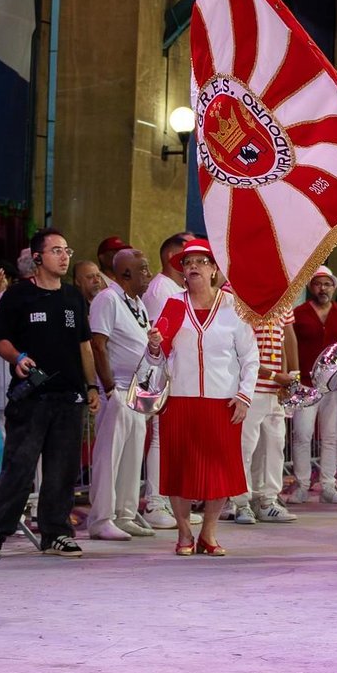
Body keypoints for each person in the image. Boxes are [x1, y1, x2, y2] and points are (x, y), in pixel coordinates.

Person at [0, 228, 101, 559]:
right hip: (31, 397)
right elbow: (1, 341)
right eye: (56, 250)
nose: (64, 256)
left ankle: (56, 533)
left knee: (62, 469)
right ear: (38, 257)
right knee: (19, 466)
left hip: (69, 398)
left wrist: (91, 385)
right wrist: (18, 358)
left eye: (67, 250)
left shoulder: (72, 296)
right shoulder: (17, 296)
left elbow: (85, 346)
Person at [147, 239, 259, 556]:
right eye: (187, 262)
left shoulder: (233, 308)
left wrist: (244, 395)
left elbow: (250, 357)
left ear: (213, 269)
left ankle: (208, 533)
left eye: (200, 261)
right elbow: (157, 357)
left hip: (222, 400)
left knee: (220, 470)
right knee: (179, 468)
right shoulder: (173, 305)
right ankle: (184, 534)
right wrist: (155, 345)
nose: (193, 267)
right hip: (179, 399)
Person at [86, 248, 157, 541]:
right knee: (109, 454)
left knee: (132, 453)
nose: (148, 275)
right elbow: (98, 345)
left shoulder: (137, 303)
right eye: (143, 269)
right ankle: (101, 518)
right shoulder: (108, 299)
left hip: (137, 390)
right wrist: (110, 387)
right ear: (125, 273)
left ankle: (125, 514)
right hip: (117, 388)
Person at [141, 231, 196, 529]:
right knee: (161, 439)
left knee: (170, 440)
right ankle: (154, 503)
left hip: (173, 373)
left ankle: (168, 501)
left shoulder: (172, 289)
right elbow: (165, 337)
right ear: (173, 257)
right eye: (190, 257)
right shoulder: (162, 290)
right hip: (162, 372)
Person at [289, 265, 337, 504]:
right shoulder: (298, 313)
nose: (323, 288)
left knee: (330, 437)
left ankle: (328, 485)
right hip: (306, 385)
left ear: (333, 286)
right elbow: (290, 344)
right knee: (302, 435)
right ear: (310, 287)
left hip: (334, 387)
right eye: (318, 284)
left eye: (327, 284)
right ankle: (302, 485)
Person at [229, 311, 300, 525]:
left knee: (274, 447)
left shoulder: (282, 305)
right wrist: (274, 376)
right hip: (250, 390)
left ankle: (267, 502)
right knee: (245, 448)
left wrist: (287, 379)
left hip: (274, 392)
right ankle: (241, 504)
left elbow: (283, 344)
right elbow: (240, 356)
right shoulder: (241, 307)